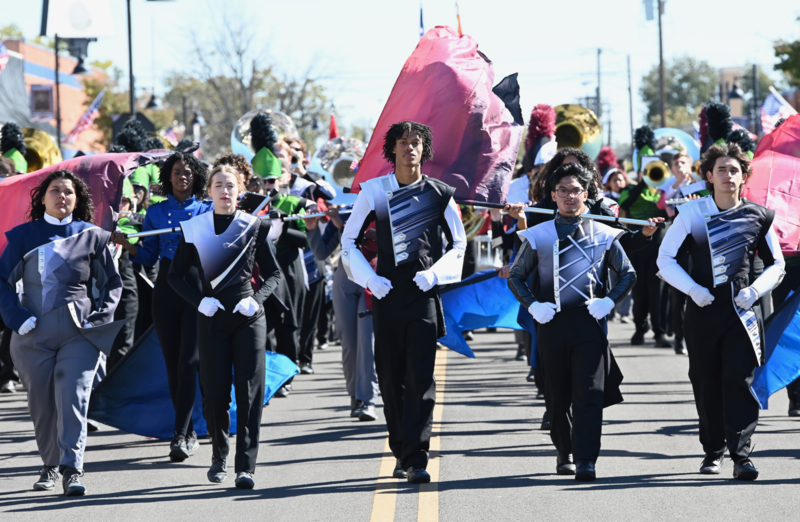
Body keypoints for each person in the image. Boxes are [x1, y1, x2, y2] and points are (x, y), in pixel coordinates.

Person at [341, 121, 466, 484]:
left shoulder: (441, 192)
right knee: (392, 376)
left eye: (416, 143)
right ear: (392, 149)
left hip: (423, 295)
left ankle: (417, 456)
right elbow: (348, 242)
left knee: (421, 378)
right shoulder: (373, 191)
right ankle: (400, 448)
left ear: (424, 151)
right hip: (386, 294)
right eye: (403, 142)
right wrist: (370, 280)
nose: (410, 148)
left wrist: (436, 274)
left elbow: (459, 243)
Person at [657, 143, 785, 481]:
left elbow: (777, 265)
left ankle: (741, 456)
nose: (728, 175)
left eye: (734, 170)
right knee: (706, 381)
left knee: (739, 381)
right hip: (702, 310)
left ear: (743, 176)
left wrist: (756, 290)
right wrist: (693, 290)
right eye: (721, 170)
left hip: (742, 313)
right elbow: (664, 260)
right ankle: (712, 450)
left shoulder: (760, 215)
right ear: (709, 176)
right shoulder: (691, 214)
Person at [507, 162, 636, 482]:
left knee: (589, 392)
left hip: (589, 323)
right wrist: (534, 306)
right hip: (551, 322)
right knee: (557, 394)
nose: (568, 196)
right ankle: (564, 451)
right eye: (562, 190)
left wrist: (608, 301)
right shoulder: (538, 234)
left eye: (575, 190)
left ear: (587, 194)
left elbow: (628, 273)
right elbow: (516, 277)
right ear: (552, 195)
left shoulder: (604, 233)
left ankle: (586, 459)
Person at [0, 170, 122, 496]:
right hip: (32, 335)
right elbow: (2, 282)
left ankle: (72, 468)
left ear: (77, 199)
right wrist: (16, 317)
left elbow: (112, 283)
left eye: (69, 192)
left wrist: (100, 318)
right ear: (43, 197)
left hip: (78, 334)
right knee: (42, 405)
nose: (62, 196)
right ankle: (49, 465)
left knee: (73, 397)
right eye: (55, 191)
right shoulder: (23, 236)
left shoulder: (93, 236)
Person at [168, 165, 281, 489]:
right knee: (216, 394)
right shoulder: (195, 228)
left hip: (247, 316)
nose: (225, 191)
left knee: (249, 394)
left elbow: (273, 274)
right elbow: (174, 276)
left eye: (231, 185)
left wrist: (257, 300)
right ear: (209, 191)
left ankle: (245, 466)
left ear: (240, 189)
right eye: (218, 185)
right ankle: (219, 455)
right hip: (211, 314)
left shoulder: (254, 225)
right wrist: (198, 301)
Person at [111, 152, 212, 462]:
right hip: (166, 289)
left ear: (196, 177)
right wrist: (127, 244)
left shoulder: (208, 209)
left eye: (188, 172)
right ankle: (188, 432)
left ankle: (181, 434)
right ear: (168, 176)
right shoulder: (155, 213)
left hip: (196, 289)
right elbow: (148, 258)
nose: (183, 176)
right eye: (177, 171)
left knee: (188, 364)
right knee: (172, 366)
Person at [307, 207, 380, 420]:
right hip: (345, 280)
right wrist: (312, 230)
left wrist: (345, 226)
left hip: (373, 279)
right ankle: (355, 397)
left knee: (368, 342)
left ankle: (368, 399)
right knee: (349, 343)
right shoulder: (347, 211)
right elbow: (322, 253)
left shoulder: (385, 209)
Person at [618, 126, 670, 347]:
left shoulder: (661, 193)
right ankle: (640, 328)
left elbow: (667, 214)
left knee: (657, 290)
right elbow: (625, 205)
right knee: (640, 291)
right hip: (637, 245)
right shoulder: (630, 190)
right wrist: (642, 181)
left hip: (658, 246)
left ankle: (659, 332)